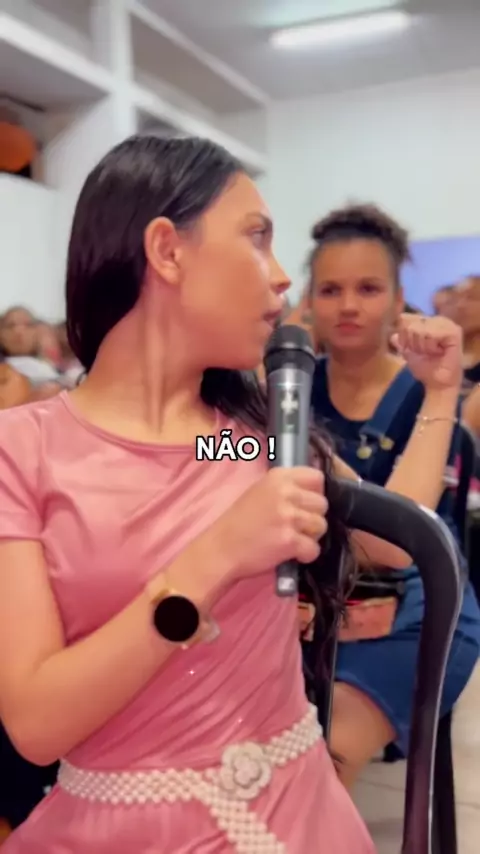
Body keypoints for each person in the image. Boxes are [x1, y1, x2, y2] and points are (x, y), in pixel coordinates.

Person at [0, 135, 390, 854]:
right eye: (257, 238)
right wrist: (216, 556)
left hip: (298, 814)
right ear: (167, 251)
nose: (282, 276)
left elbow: (394, 543)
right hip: (118, 830)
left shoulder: (235, 441)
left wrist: (427, 397)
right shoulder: (24, 450)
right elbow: (36, 724)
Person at [304, 203, 480, 789]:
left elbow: (396, 541)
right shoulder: (282, 388)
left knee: (320, 756)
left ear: (400, 298)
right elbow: (213, 459)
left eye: (368, 288)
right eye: (330, 289)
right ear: (307, 301)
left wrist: (441, 391)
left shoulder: (427, 390)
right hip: (305, 604)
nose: (348, 305)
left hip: (415, 610)